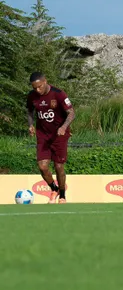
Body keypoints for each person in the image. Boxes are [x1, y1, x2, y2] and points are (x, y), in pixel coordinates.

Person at [26, 72, 75, 204]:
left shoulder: (59, 94)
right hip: (43, 135)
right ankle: (54, 189)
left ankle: (62, 195)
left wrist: (64, 127)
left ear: (45, 81)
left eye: (40, 86)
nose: (37, 90)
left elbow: (71, 113)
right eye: (34, 88)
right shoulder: (32, 96)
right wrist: (30, 125)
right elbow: (29, 111)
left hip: (59, 135)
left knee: (59, 166)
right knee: (42, 167)